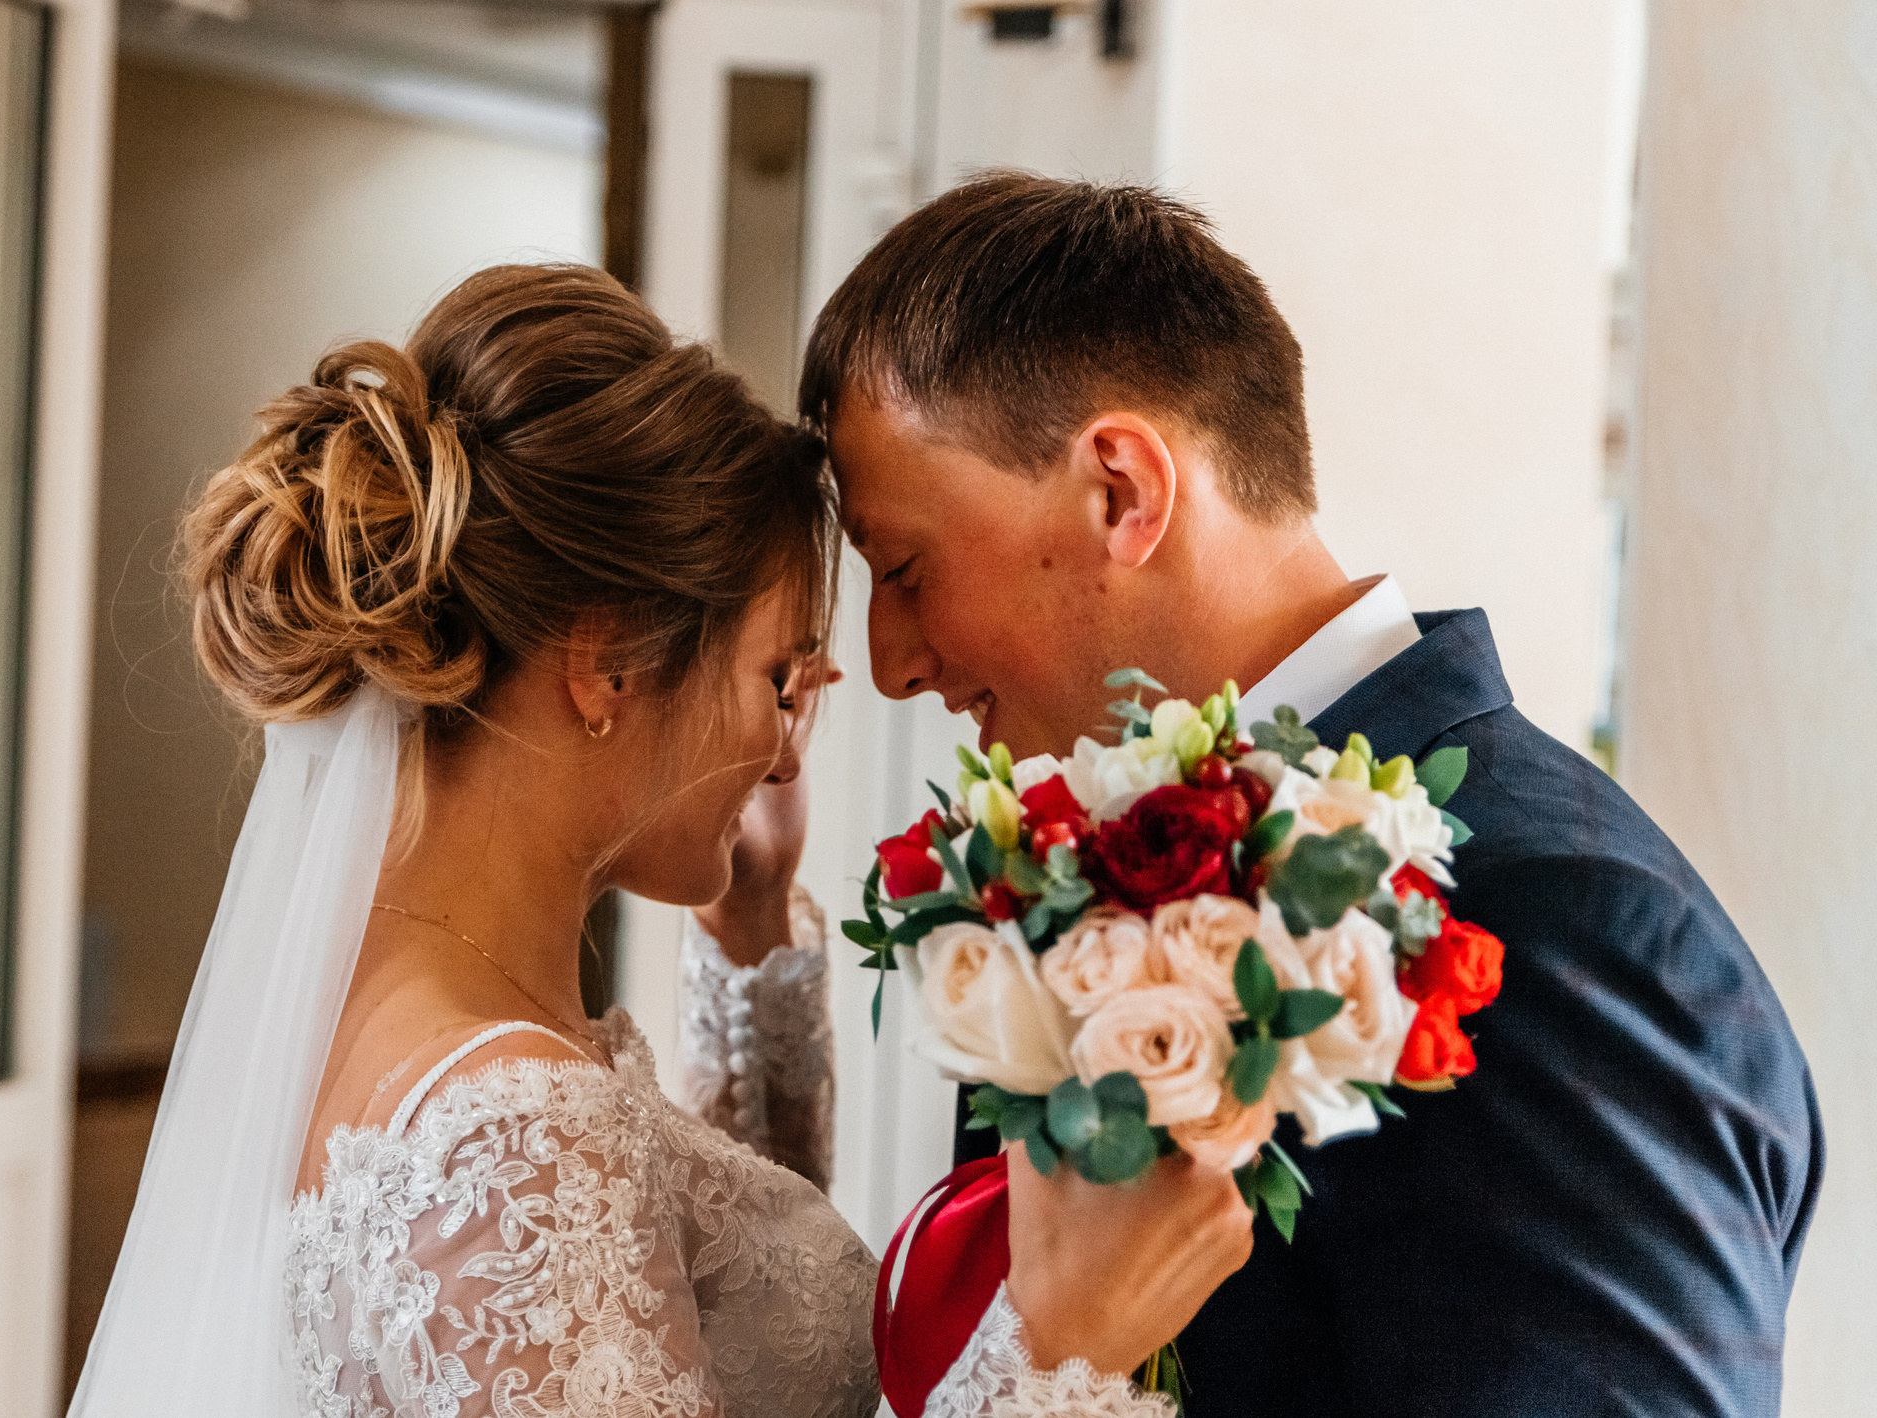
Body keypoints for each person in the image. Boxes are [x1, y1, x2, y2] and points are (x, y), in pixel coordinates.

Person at [67, 263, 1252, 1418]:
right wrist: (1059, 1355)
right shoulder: (517, 1132)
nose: (788, 748)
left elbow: (695, 1305)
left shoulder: (381, 1024)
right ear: (606, 663)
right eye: (778, 675)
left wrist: (749, 930)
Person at [799, 173, 1825, 1417]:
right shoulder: (1089, 876)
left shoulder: (1553, 921)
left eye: (904, 568)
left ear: (1120, 487)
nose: (895, 660)